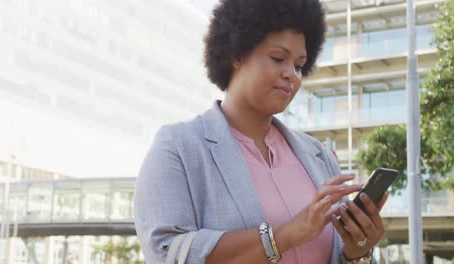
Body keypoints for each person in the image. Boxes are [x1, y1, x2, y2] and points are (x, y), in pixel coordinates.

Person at [134, 0, 388, 263]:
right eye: (278, 58)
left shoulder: (319, 155)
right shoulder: (178, 147)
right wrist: (285, 235)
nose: (292, 74)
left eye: (300, 65)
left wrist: (358, 252)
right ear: (236, 55)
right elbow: (167, 251)